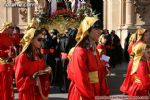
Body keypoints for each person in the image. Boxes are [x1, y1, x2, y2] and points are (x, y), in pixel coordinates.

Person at [67, 16, 103, 100]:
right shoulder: (80, 51)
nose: (100, 31)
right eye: (97, 28)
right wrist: (90, 96)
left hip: (94, 89)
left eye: (100, 29)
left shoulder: (94, 49)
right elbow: (80, 78)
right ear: (88, 30)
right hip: (82, 93)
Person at [14, 27, 51, 100]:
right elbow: (19, 82)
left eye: (43, 40)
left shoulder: (39, 55)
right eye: (39, 39)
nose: (42, 42)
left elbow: (43, 68)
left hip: (38, 92)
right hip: (28, 94)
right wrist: (32, 80)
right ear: (31, 40)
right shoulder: (22, 57)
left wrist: (47, 69)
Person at [120, 28, 150, 95]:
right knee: (130, 78)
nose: (148, 37)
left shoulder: (141, 45)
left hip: (134, 61)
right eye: (146, 35)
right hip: (134, 62)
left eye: (148, 35)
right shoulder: (140, 45)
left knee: (131, 78)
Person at [0, 22, 16, 100]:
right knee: (4, 84)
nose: (13, 30)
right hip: (3, 64)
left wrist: (12, 52)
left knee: (9, 84)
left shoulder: (9, 37)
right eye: (11, 28)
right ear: (7, 28)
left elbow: (11, 48)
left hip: (9, 64)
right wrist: (6, 52)